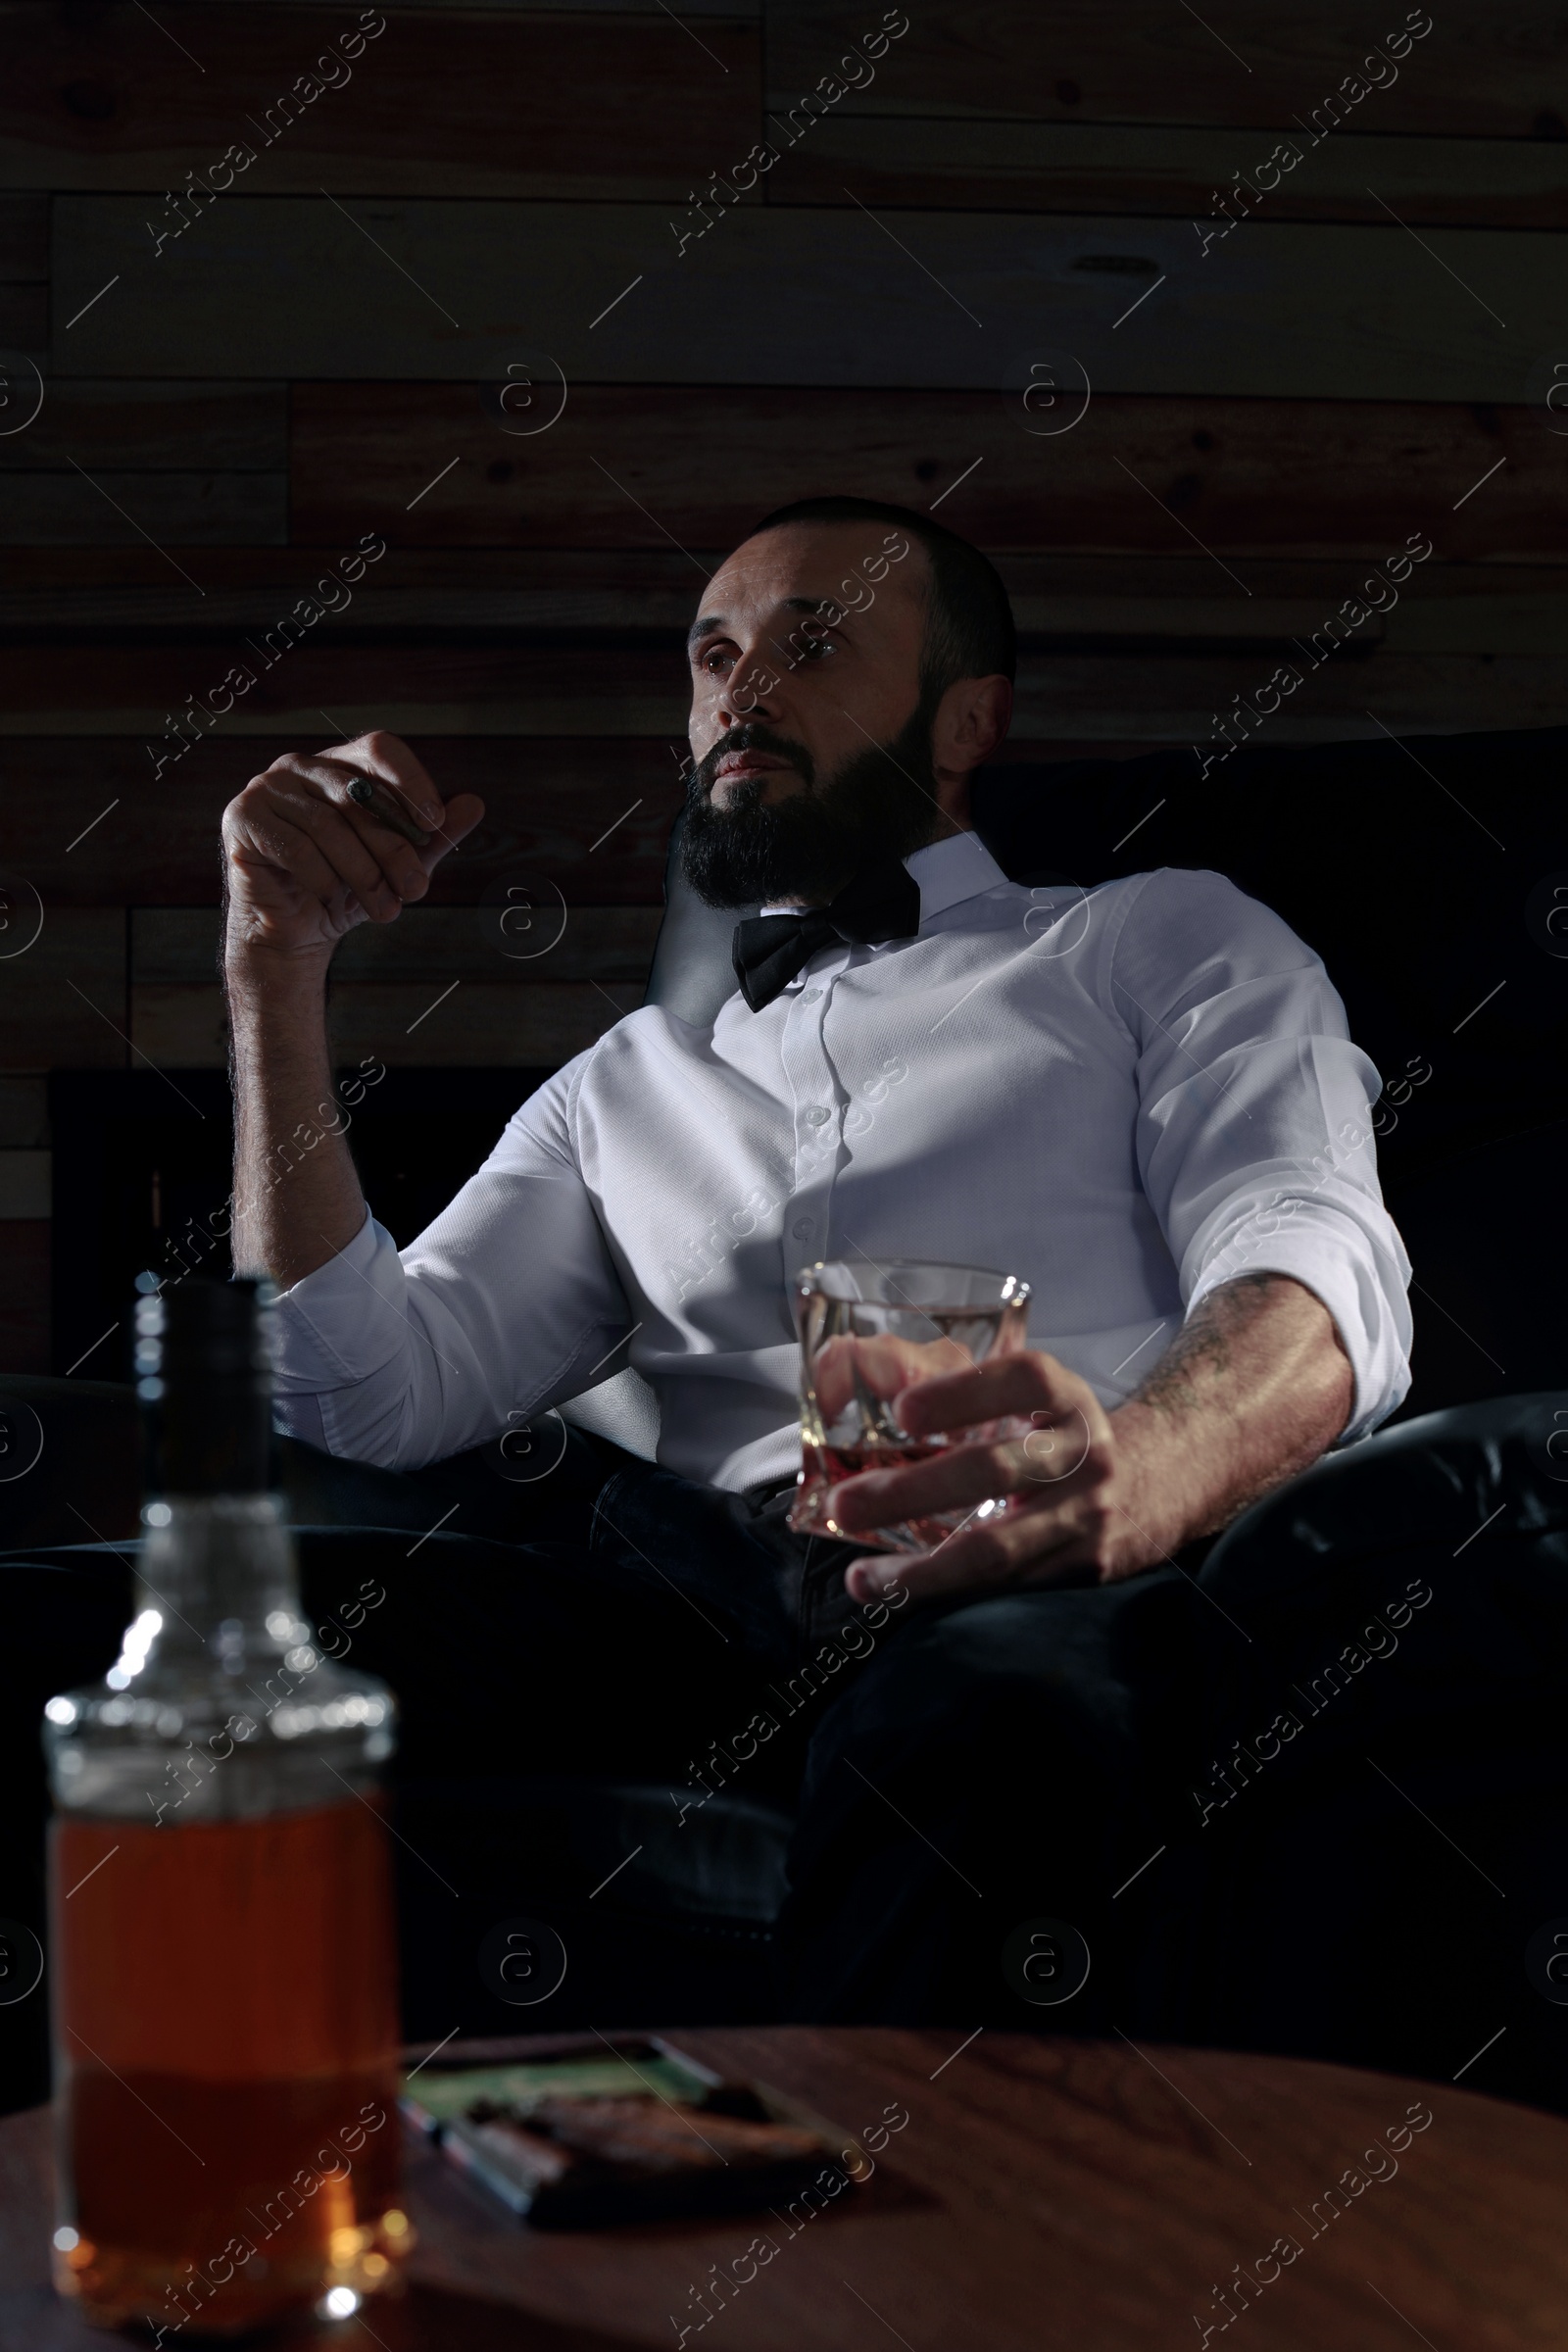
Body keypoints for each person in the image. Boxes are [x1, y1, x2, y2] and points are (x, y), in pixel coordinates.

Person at [207, 495, 1414, 2022]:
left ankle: (896, 2253)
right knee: (158, 1650)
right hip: (680, 1597)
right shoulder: (621, 1085)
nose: (742, 690)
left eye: (813, 643)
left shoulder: (1158, 944)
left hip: (1018, 1579)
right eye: (714, 653)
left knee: (986, 1743)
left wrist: (1150, 1465)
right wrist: (275, 970)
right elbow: (358, 1393)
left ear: (966, 720)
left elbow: (1312, 1263)